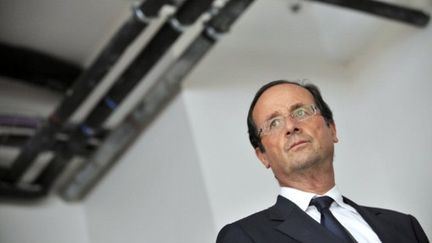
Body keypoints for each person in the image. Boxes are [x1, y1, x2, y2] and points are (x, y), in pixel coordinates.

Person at [216, 80, 429, 243]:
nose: (291, 126)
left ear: (332, 129)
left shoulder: (403, 226)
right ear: (262, 155)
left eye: (300, 112)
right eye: (274, 123)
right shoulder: (244, 236)